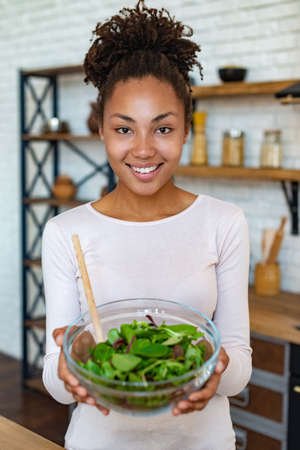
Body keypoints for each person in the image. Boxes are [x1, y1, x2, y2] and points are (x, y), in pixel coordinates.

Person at [42, 1, 252, 449]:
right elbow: (57, 382)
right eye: (123, 129)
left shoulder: (225, 223)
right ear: (101, 130)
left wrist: (216, 371)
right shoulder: (66, 232)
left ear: (186, 131)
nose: (142, 150)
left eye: (162, 129)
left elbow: (238, 373)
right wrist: (66, 366)